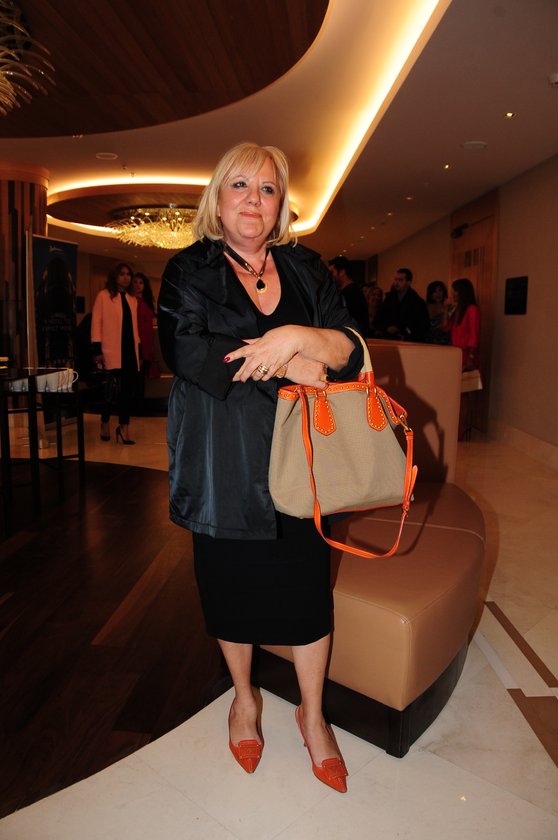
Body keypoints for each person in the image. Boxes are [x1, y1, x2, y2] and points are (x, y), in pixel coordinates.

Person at [158, 142, 364, 793]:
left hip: (303, 459)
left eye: (267, 188)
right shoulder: (188, 269)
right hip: (221, 460)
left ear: (281, 206)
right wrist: (292, 363)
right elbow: (186, 349)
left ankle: (312, 714)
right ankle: (244, 700)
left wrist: (299, 339)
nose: (253, 199)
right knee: (230, 588)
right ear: (218, 200)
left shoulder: (306, 268)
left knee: (308, 591)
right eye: (240, 185)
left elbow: (351, 349)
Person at [91, 262, 140, 444]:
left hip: (130, 351)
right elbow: (96, 323)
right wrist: (97, 349)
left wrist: (139, 350)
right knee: (110, 392)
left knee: (127, 392)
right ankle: (104, 422)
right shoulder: (103, 296)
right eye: (122, 274)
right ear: (115, 276)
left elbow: (134, 327)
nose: (126, 277)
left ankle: (124, 427)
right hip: (111, 350)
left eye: (128, 274)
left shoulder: (132, 299)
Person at [446, 277, 481, 439]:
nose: (453, 294)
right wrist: (447, 310)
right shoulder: (458, 310)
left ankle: (464, 428)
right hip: (456, 355)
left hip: (466, 356)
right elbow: (446, 328)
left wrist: (471, 358)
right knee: (458, 393)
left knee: (464, 394)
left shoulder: (472, 310)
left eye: (455, 291)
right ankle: (459, 428)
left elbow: (474, 335)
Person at [376, 267, 429, 341]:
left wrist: (404, 333)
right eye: (396, 279)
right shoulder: (389, 299)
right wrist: (386, 328)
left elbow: (421, 325)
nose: (396, 283)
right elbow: (380, 317)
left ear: (408, 282)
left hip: (408, 340)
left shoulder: (417, 302)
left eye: (400, 280)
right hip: (389, 338)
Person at [328, 255, 369, 336]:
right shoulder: (349, 291)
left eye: (332, 272)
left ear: (342, 272)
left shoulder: (352, 293)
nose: (330, 276)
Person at [132, 272, 159, 382]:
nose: (138, 285)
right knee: (136, 375)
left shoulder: (147, 301)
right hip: (137, 341)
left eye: (141, 283)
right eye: (135, 282)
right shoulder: (131, 301)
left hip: (148, 341)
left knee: (143, 374)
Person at [425, 280, 450, 345]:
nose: (438, 294)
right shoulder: (425, 307)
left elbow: (446, 326)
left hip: (445, 341)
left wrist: (446, 309)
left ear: (444, 292)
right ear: (430, 294)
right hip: (428, 341)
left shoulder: (449, 307)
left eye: (440, 290)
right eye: (434, 291)